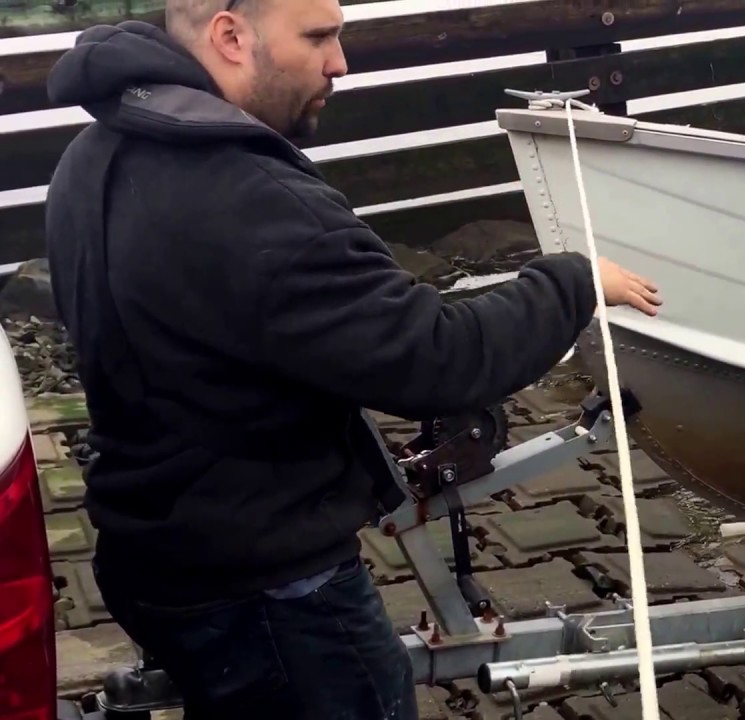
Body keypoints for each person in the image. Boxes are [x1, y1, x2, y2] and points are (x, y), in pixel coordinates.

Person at [41, 0, 661, 717]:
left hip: (148, 553)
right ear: (230, 36)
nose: (341, 62)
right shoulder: (249, 197)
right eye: (318, 37)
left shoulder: (90, 159)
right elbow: (439, 359)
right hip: (270, 594)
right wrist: (573, 282)